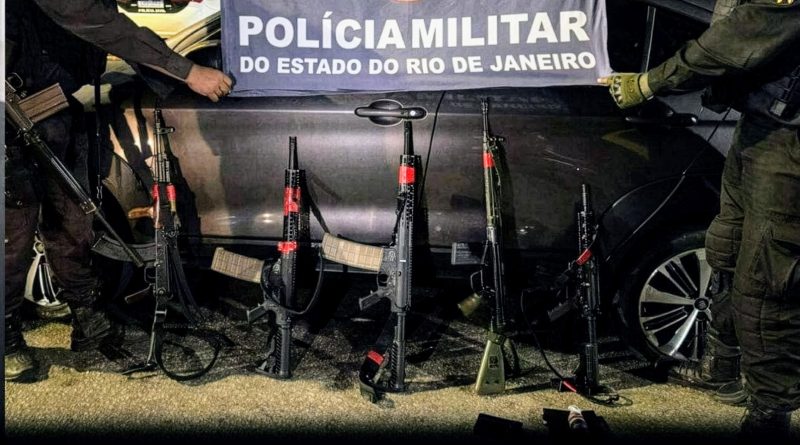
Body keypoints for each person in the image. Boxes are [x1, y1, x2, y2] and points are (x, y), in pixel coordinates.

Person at [599, 0, 799, 440]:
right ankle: (721, 369)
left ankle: (770, 413)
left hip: (790, 142)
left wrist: (650, 82)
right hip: (761, 125)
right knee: (726, 250)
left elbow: (741, 32)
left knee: (768, 277)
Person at [4, 0, 234, 381]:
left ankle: (86, 312)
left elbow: (108, 27)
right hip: (11, 117)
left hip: (54, 109)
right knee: (13, 235)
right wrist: (187, 70)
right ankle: (7, 335)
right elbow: (98, 22)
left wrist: (171, 72)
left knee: (73, 219)